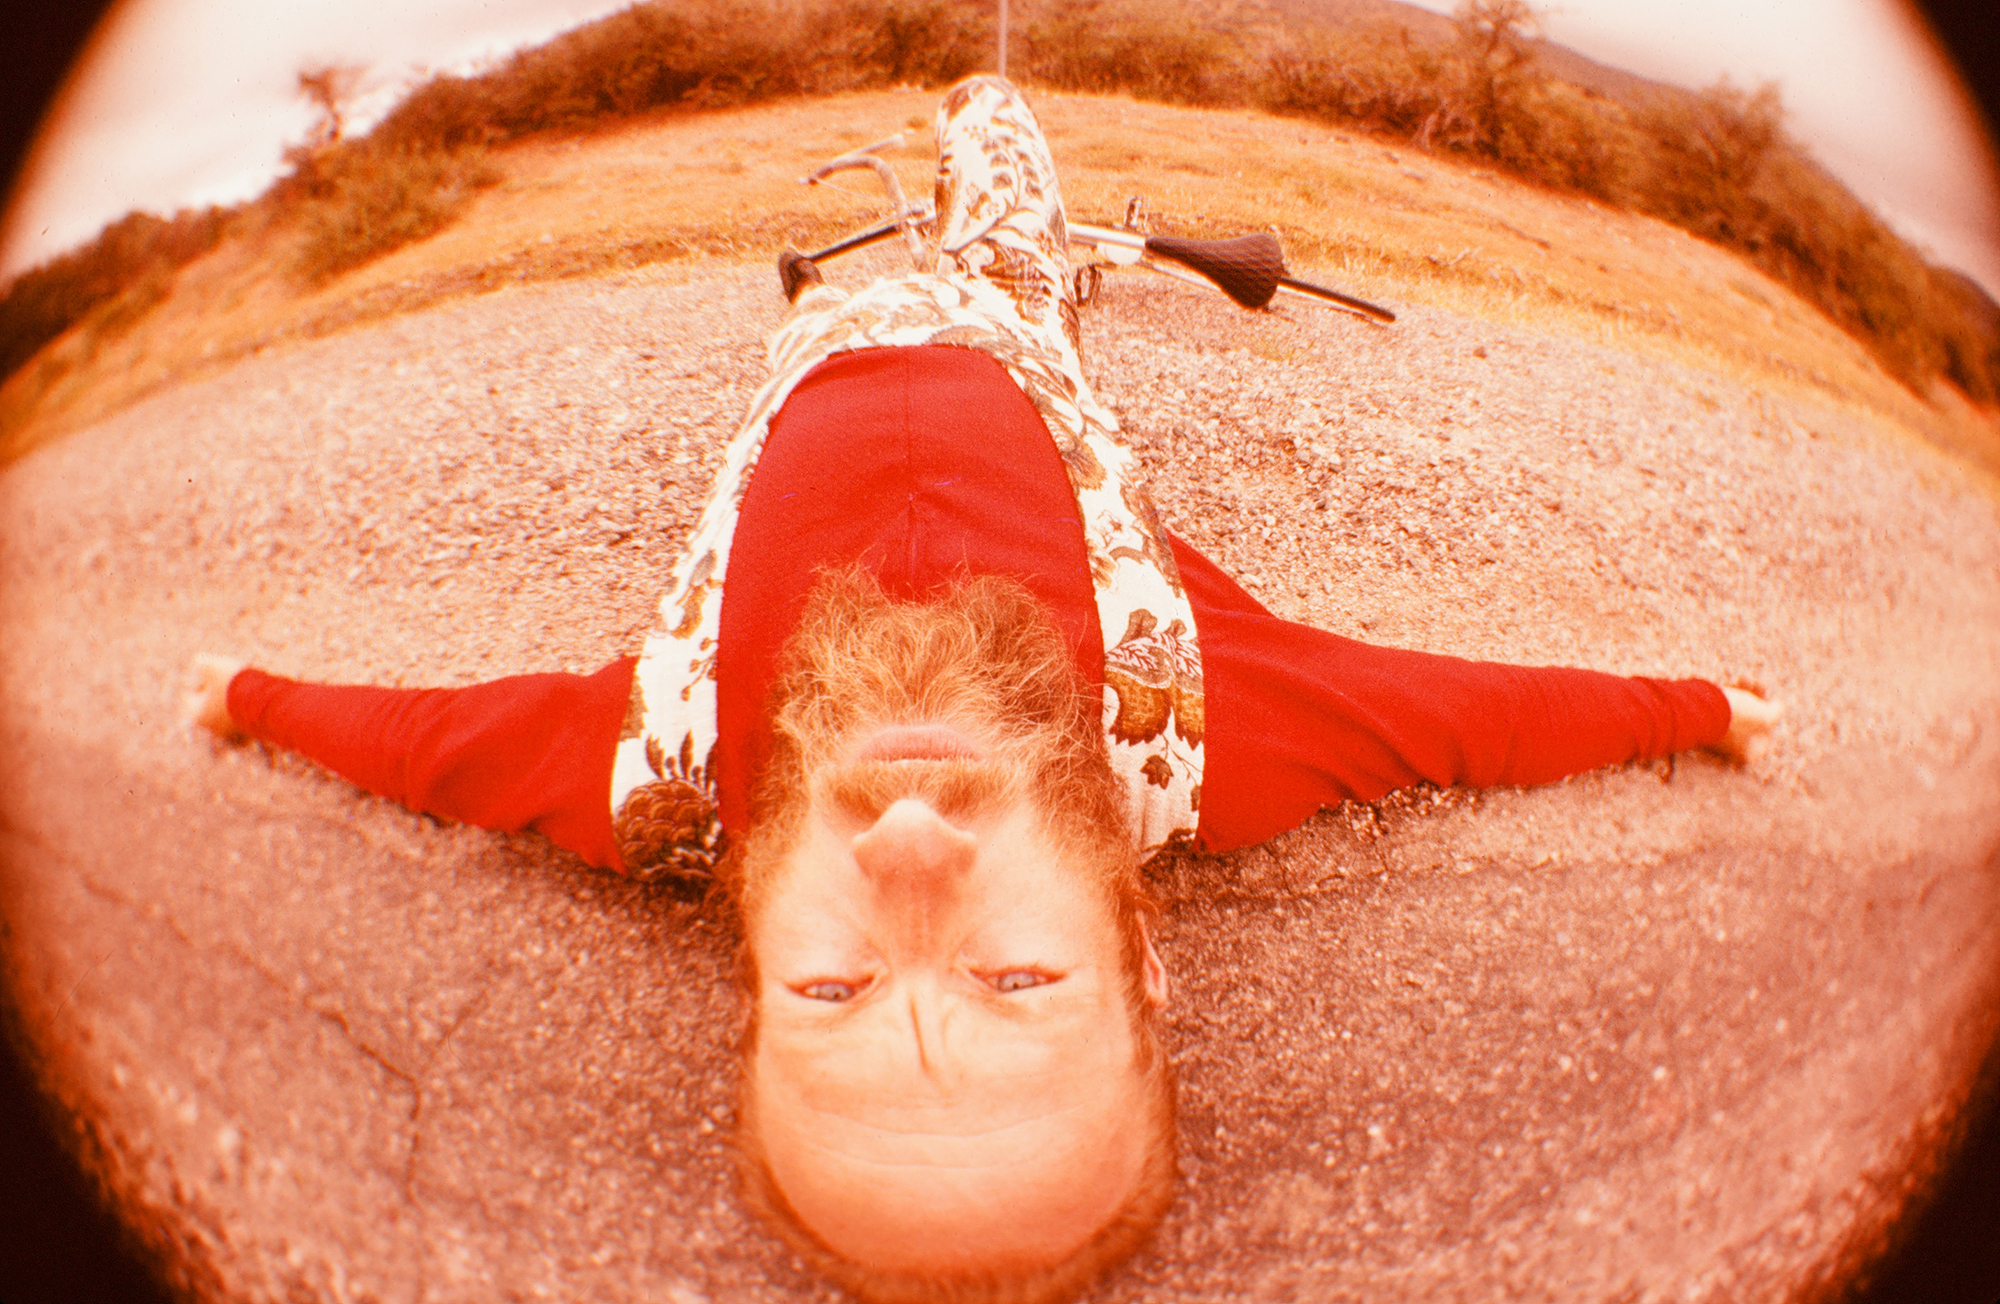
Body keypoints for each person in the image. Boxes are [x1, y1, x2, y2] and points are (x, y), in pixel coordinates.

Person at [183, 76, 1779, 1304]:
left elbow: (417, 743)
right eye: (1017, 977)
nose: (908, 849)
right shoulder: (1198, 730)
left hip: (825, 344)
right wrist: (1701, 708)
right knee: (995, 129)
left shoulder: (658, 778)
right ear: (1136, 949)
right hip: (1012, 328)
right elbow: (1474, 718)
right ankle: (990, 169)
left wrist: (245, 693)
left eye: (833, 990)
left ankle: (922, 213)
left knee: (854, 260)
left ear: (751, 956)